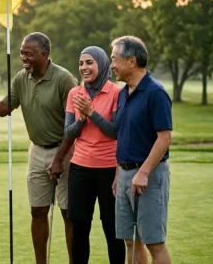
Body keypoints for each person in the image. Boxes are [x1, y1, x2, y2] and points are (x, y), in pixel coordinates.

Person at [0, 32, 77, 264]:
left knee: (68, 214)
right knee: (37, 211)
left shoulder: (64, 79)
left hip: (66, 150)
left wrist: (59, 159)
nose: (23, 58)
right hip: (37, 150)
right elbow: (4, 108)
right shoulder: (21, 78)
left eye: (28, 54)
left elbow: (74, 126)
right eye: (21, 53)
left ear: (44, 55)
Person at [110, 36, 172, 264]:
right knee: (130, 240)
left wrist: (143, 172)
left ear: (131, 61)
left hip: (149, 176)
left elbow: (164, 138)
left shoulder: (156, 92)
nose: (112, 65)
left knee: (154, 242)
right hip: (125, 175)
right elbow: (124, 135)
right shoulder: (123, 93)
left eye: (114, 59)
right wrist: (119, 173)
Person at [64, 46, 125, 264]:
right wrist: (81, 119)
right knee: (79, 228)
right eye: (81, 63)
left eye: (89, 62)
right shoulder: (74, 93)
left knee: (112, 228)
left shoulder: (117, 92)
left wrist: (91, 113)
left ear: (101, 63)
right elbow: (68, 133)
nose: (84, 68)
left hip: (109, 169)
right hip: (80, 169)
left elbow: (116, 130)